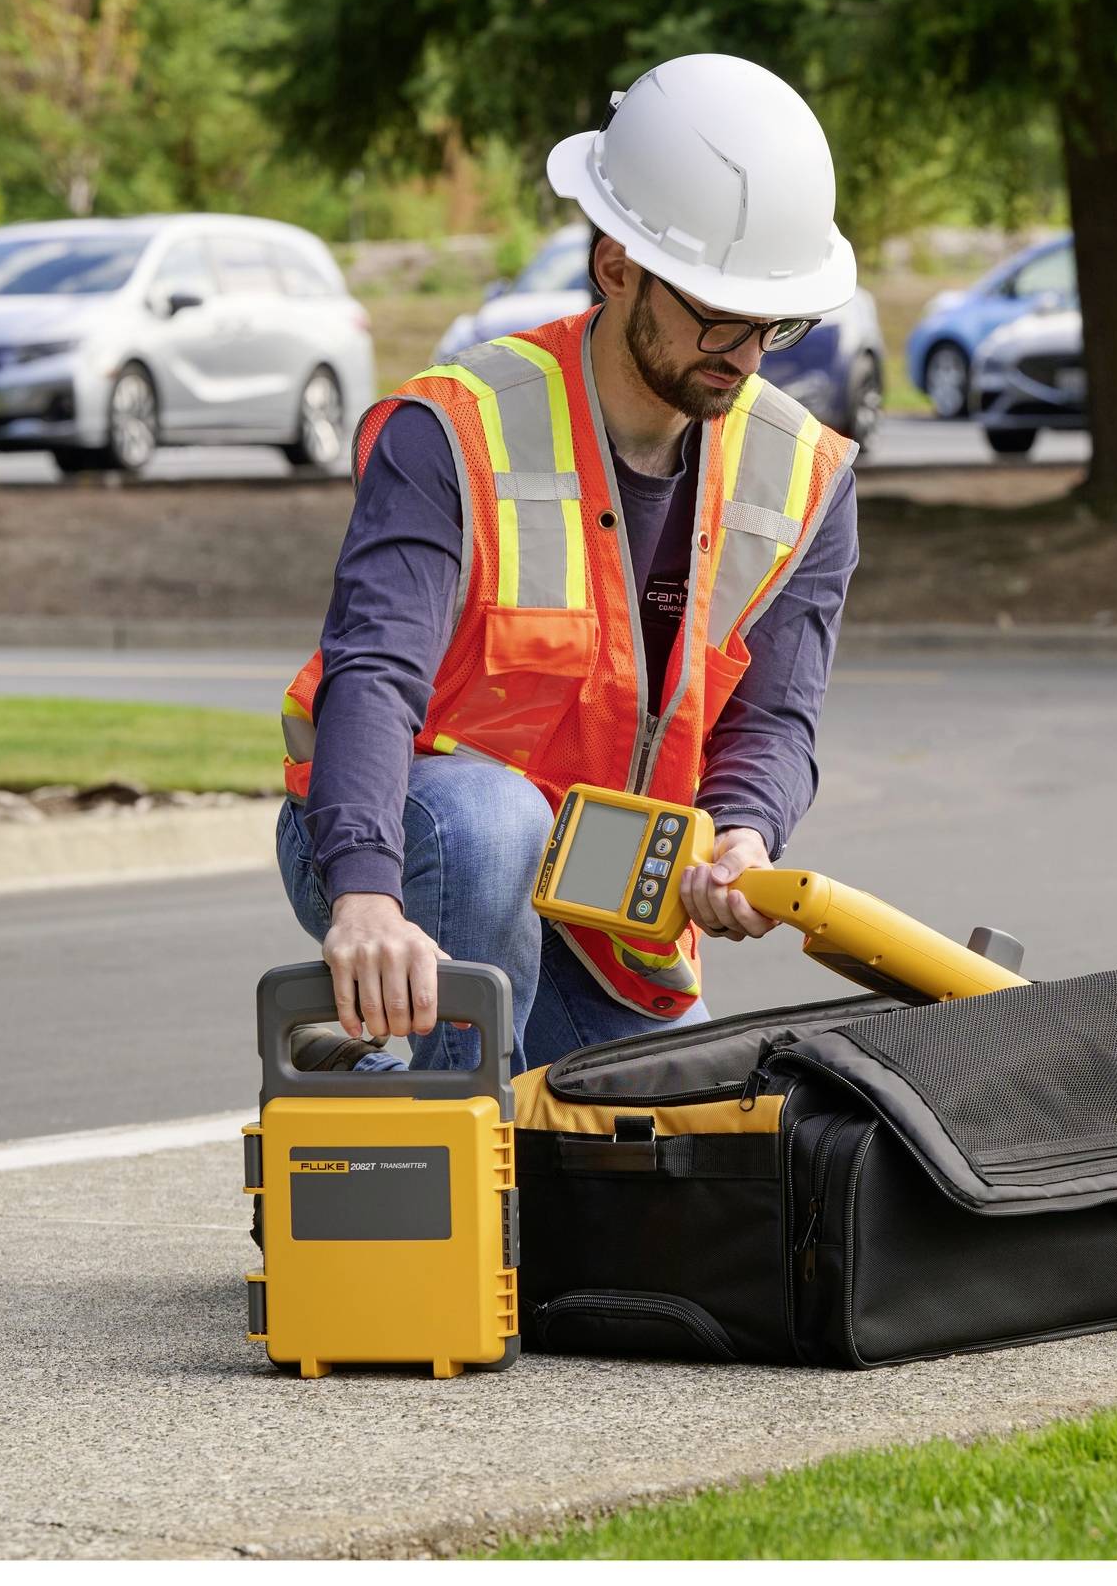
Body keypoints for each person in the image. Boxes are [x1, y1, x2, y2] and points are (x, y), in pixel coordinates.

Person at [271, 53, 864, 1076]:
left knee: (687, 1159)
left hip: (611, 911)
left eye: (772, 321)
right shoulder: (453, 431)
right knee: (491, 822)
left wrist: (744, 833)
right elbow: (374, 675)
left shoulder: (803, 477)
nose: (746, 351)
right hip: (412, 845)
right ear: (616, 264)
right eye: (715, 312)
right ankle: (420, 1141)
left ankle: (420, 1098)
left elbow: (773, 719)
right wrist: (365, 896)